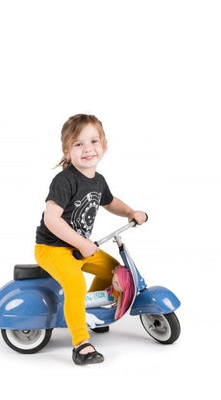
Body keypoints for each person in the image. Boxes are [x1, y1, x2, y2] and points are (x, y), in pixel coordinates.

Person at [35, 114, 147, 365]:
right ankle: (81, 343)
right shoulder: (64, 180)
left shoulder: (98, 180)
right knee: (75, 284)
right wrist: (82, 243)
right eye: (78, 144)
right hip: (52, 248)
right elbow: (52, 219)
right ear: (67, 152)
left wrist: (130, 212)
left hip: (80, 248)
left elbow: (110, 202)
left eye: (94, 141)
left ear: (104, 145)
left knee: (115, 272)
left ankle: (91, 313)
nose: (88, 149)